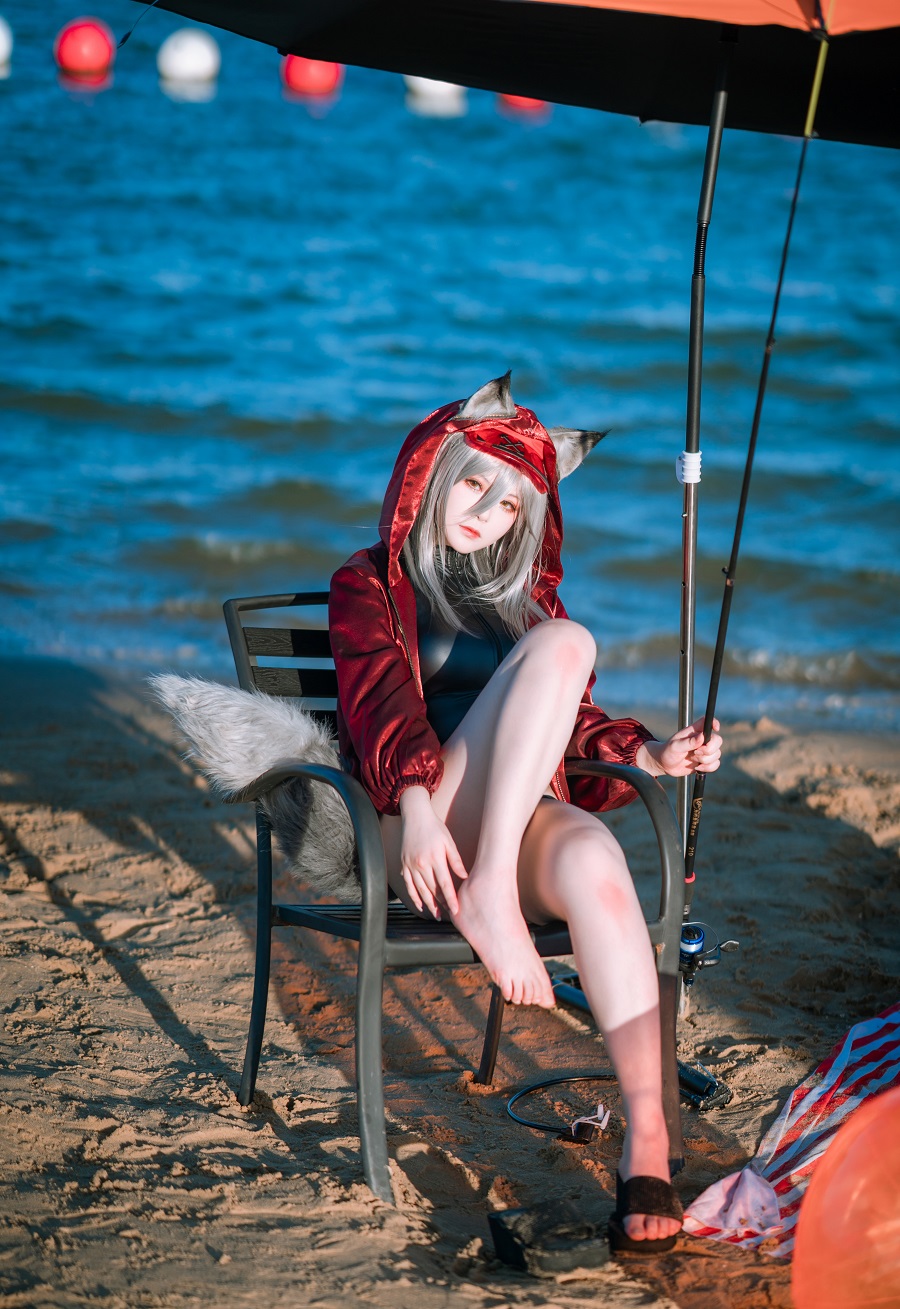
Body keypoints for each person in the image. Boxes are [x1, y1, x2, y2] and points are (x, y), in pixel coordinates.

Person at [328, 373, 722, 1252]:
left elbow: (570, 729)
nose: (487, 511)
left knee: (597, 864)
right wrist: (418, 806)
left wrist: (651, 755)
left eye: (510, 503)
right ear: (433, 473)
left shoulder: (523, 604)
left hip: (504, 821)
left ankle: (646, 1139)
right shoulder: (369, 583)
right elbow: (379, 705)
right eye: (473, 483)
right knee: (568, 642)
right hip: (419, 824)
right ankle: (491, 894)